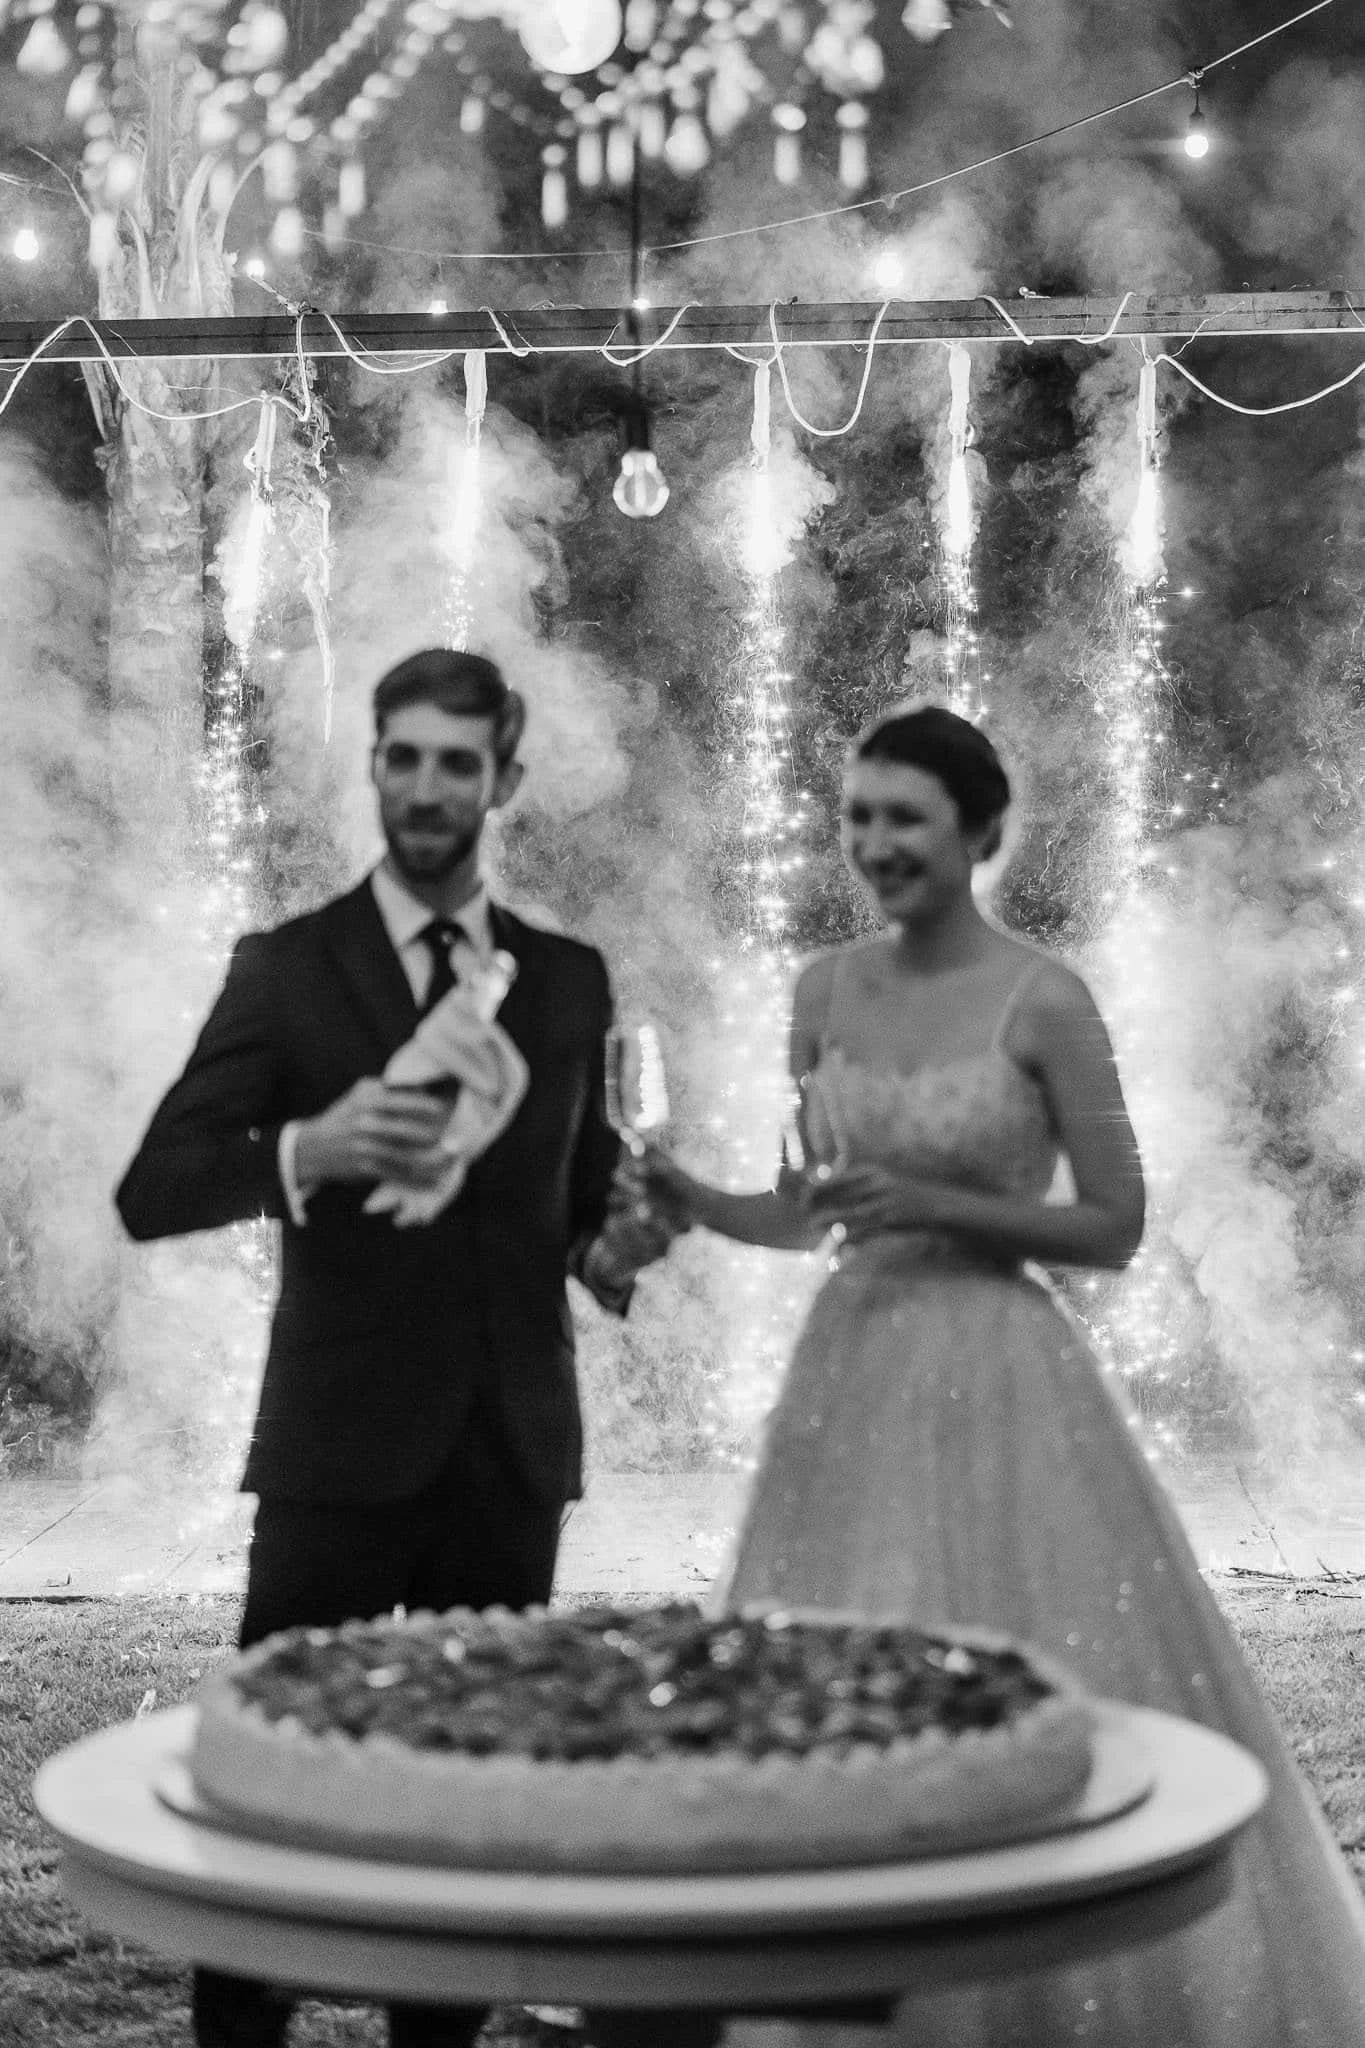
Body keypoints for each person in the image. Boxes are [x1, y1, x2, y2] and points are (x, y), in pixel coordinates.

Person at [645, 705, 1365, 2046]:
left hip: (1001, 1363)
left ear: (979, 832)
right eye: (857, 816)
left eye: (903, 818)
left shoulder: (1045, 998)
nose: (874, 845)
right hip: (847, 1373)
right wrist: (685, 1194)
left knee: (1032, 1677)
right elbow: (809, 1214)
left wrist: (932, 1199)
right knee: (836, 1677)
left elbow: (1115, 1225)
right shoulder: (821, 990)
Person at [117, 648, 675, 2048]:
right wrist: (308, 1146)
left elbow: (580, 1200)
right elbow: (155, 1186)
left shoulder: (563, 982)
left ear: (506, 782)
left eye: (458, 763)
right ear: (373, 767)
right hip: (335, 1453)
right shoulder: (288, 971)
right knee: (276, 1795)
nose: (428, 788)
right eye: (404, 757)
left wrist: (620, 1250)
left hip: (508, 1455)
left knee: (472, 1810)